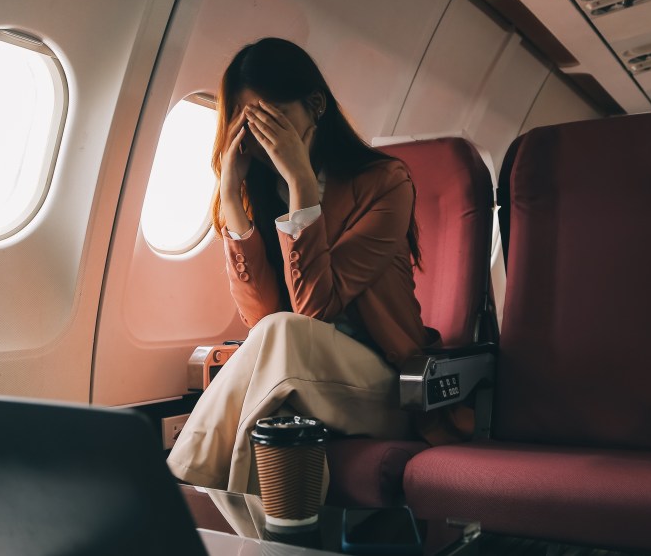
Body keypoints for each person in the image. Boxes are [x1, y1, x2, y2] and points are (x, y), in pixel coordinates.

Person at [166, 37, 447, 495]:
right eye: (248, 125)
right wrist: (231, 192)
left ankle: (173, 498)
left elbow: (312, 312)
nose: (261, 139)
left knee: (284, 335)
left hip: (386, 386)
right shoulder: (260, 190)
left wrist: (300, 182)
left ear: (315, 106)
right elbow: (261, 318)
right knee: (268, 421)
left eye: (271, 119)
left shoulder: (385, 183)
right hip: (294, 376)